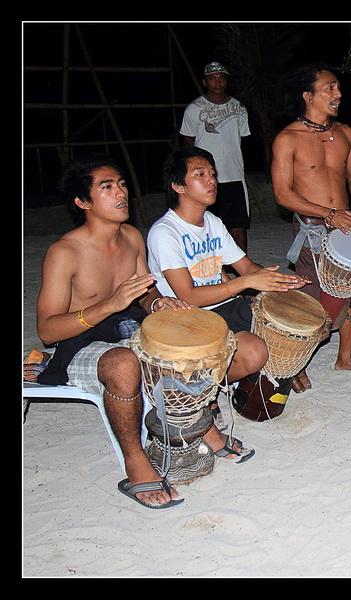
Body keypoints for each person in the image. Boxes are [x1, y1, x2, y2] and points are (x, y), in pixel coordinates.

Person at [36, 153, 195, 509]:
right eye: (106, 187)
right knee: (124, 363)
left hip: (125, 331)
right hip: (79, 345)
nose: (121, 192)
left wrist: (157, 303)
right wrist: (108, 304)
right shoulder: (64, 252)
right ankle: (135, 460)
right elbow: (47, 330)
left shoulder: (132, 237)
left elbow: (143, 293)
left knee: (183, 341)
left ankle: (192, 432)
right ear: (83, 202)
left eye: (121, 184)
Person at [147, 146, 308, 431]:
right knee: (254, 352)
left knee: (282, 328)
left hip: (221, 305)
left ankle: (241, 380)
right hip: (185, 318)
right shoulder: (165, 232)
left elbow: (245, 267)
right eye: (200, 174)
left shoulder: (212, 222)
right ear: (178, 186)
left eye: (212, 173)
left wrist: (280, 281)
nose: (211, 180)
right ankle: (202, 393)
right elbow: (188, 296)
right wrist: (245, 283)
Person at [271, 62, 351, 390]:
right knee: (311, 301)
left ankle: (344, 357)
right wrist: (329, 215)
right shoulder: (287, 138)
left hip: (346, 226)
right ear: (308, 96)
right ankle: (296, 364)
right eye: (329, 88)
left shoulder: (345, 133)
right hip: (313, 229)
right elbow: (282, 194)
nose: (338, 93)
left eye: (338, 87)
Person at [180, 62, 251, 252]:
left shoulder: (239, 107)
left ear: (227, 81)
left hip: (234, 174)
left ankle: (242, 265)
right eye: (212, 78)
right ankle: (212, 263)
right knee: (207, 223)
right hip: (207, 177)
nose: (217, 82)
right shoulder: (194, 108)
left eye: (221, 78)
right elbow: (188, 143)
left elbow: (241, 139)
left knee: (238, 224)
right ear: (205, 82)